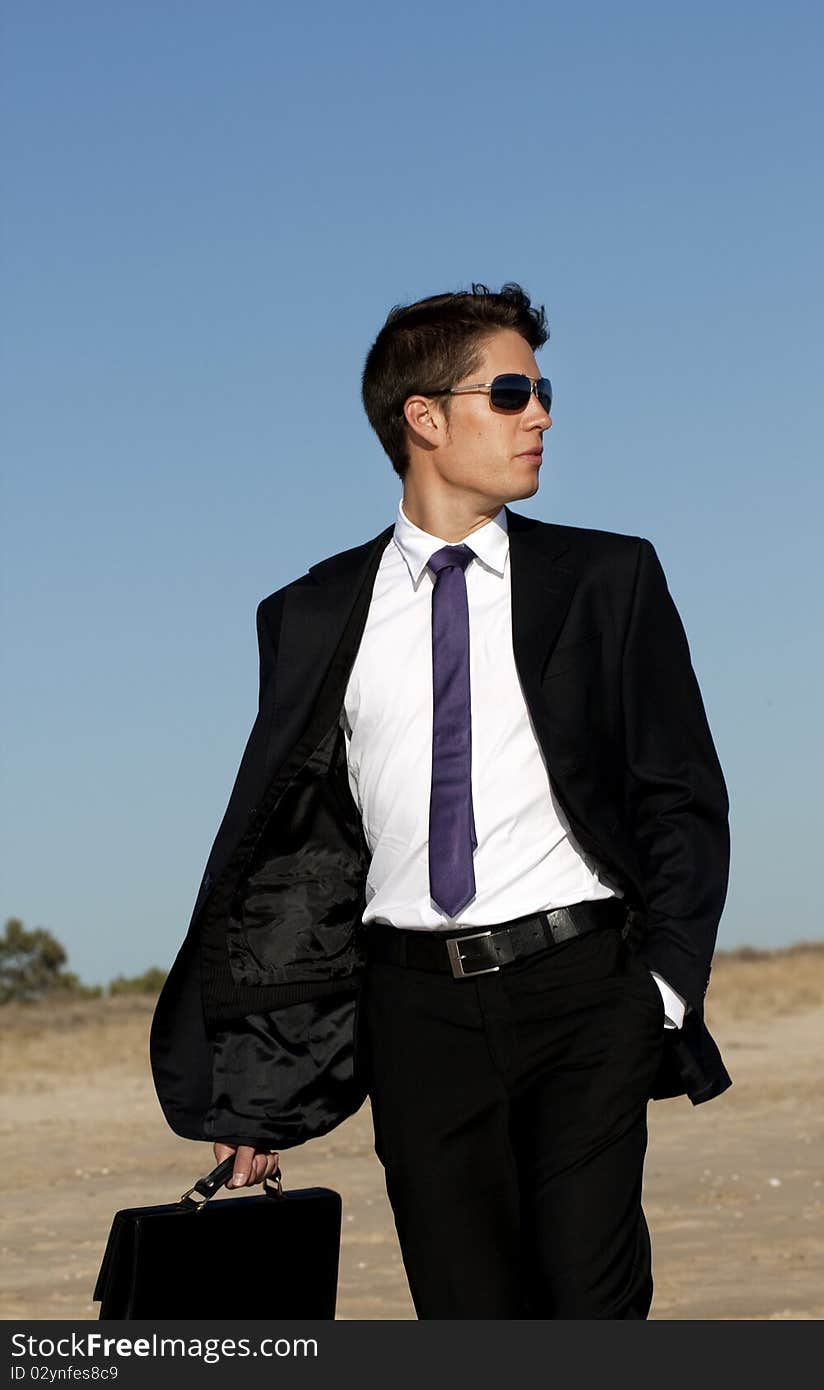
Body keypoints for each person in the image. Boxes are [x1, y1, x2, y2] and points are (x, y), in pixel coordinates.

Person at [150, 283, 731, 1319]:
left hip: (584, 992)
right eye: (510, 393)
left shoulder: (608, 579)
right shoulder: (310, 614)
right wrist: (259, 1090)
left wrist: (661, 992)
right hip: (415, 1018)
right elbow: (300, 860)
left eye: (542, 391)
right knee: (465, 1319)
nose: (540, 413)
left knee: (591, 1308)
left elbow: (680, 796)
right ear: (424, 417)